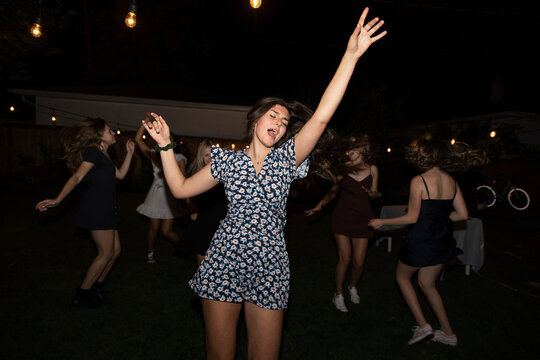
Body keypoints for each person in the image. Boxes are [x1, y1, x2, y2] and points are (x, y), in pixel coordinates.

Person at [144, 8, 386, 359]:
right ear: (256, 119)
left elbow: (321, 116)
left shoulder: (287, 160)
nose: (279, 122)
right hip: (223, 260)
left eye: (285, 121)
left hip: (270, 265)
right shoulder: (227, 161)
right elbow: (180, 189)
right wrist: (166, 146)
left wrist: (350, 56)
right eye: (272, 115)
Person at [369, 135, 487, 346]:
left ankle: (423, 326)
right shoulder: (452, 181)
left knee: (403, 279)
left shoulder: (419, 180)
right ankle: (448, 334)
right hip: (441, 240)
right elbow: (462, 214)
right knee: (427, 284)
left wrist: (383, 221)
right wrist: (438, 217)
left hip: (420, 240)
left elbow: (412, 218)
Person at [35, 118, 135, 308]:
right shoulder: (93, 153)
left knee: (115, 252)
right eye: (109, 130)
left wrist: (129, 154)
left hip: (106, 209)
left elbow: (120, 175)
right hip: (96, 209)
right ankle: (82, 294)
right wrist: (58, 199)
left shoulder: (103, 155)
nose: (113, 132)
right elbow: (78, 176)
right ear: (98, 136)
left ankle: (95, 289)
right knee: (105, 254)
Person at [305, 134, 379, 312]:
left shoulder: (373, 169)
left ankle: (352, 286)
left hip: (363, 217)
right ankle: (338, 294)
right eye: (348, 149)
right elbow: (333, 193)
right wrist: (319, 206)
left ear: (362, 149)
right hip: (343, 216)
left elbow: (376, 191)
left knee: (359, 263)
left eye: (353, 148)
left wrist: (372, 193)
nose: (349, 151)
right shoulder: (342, 169)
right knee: (344, 258)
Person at [135, 121, 188, 264]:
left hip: (170, 195)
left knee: (166, 231)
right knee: (154, 227)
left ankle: (186, 248)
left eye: (169, 137)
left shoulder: (179, 158)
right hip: (156, 194)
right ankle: (150, 252)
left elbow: (182, 179)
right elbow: (138, 140)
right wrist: (144, 122)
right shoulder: (154, 155)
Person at [181, 139, 228, 265]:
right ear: (201, 157)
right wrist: (192, 210)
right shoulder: (196, 173)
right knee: (202, 253)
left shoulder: (225, 172)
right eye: (207, 155)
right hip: (204, 218)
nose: (210, 158)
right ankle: (202, 282)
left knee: (221, 256)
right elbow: (187, 193)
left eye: (213, 154)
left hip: (222, 218)